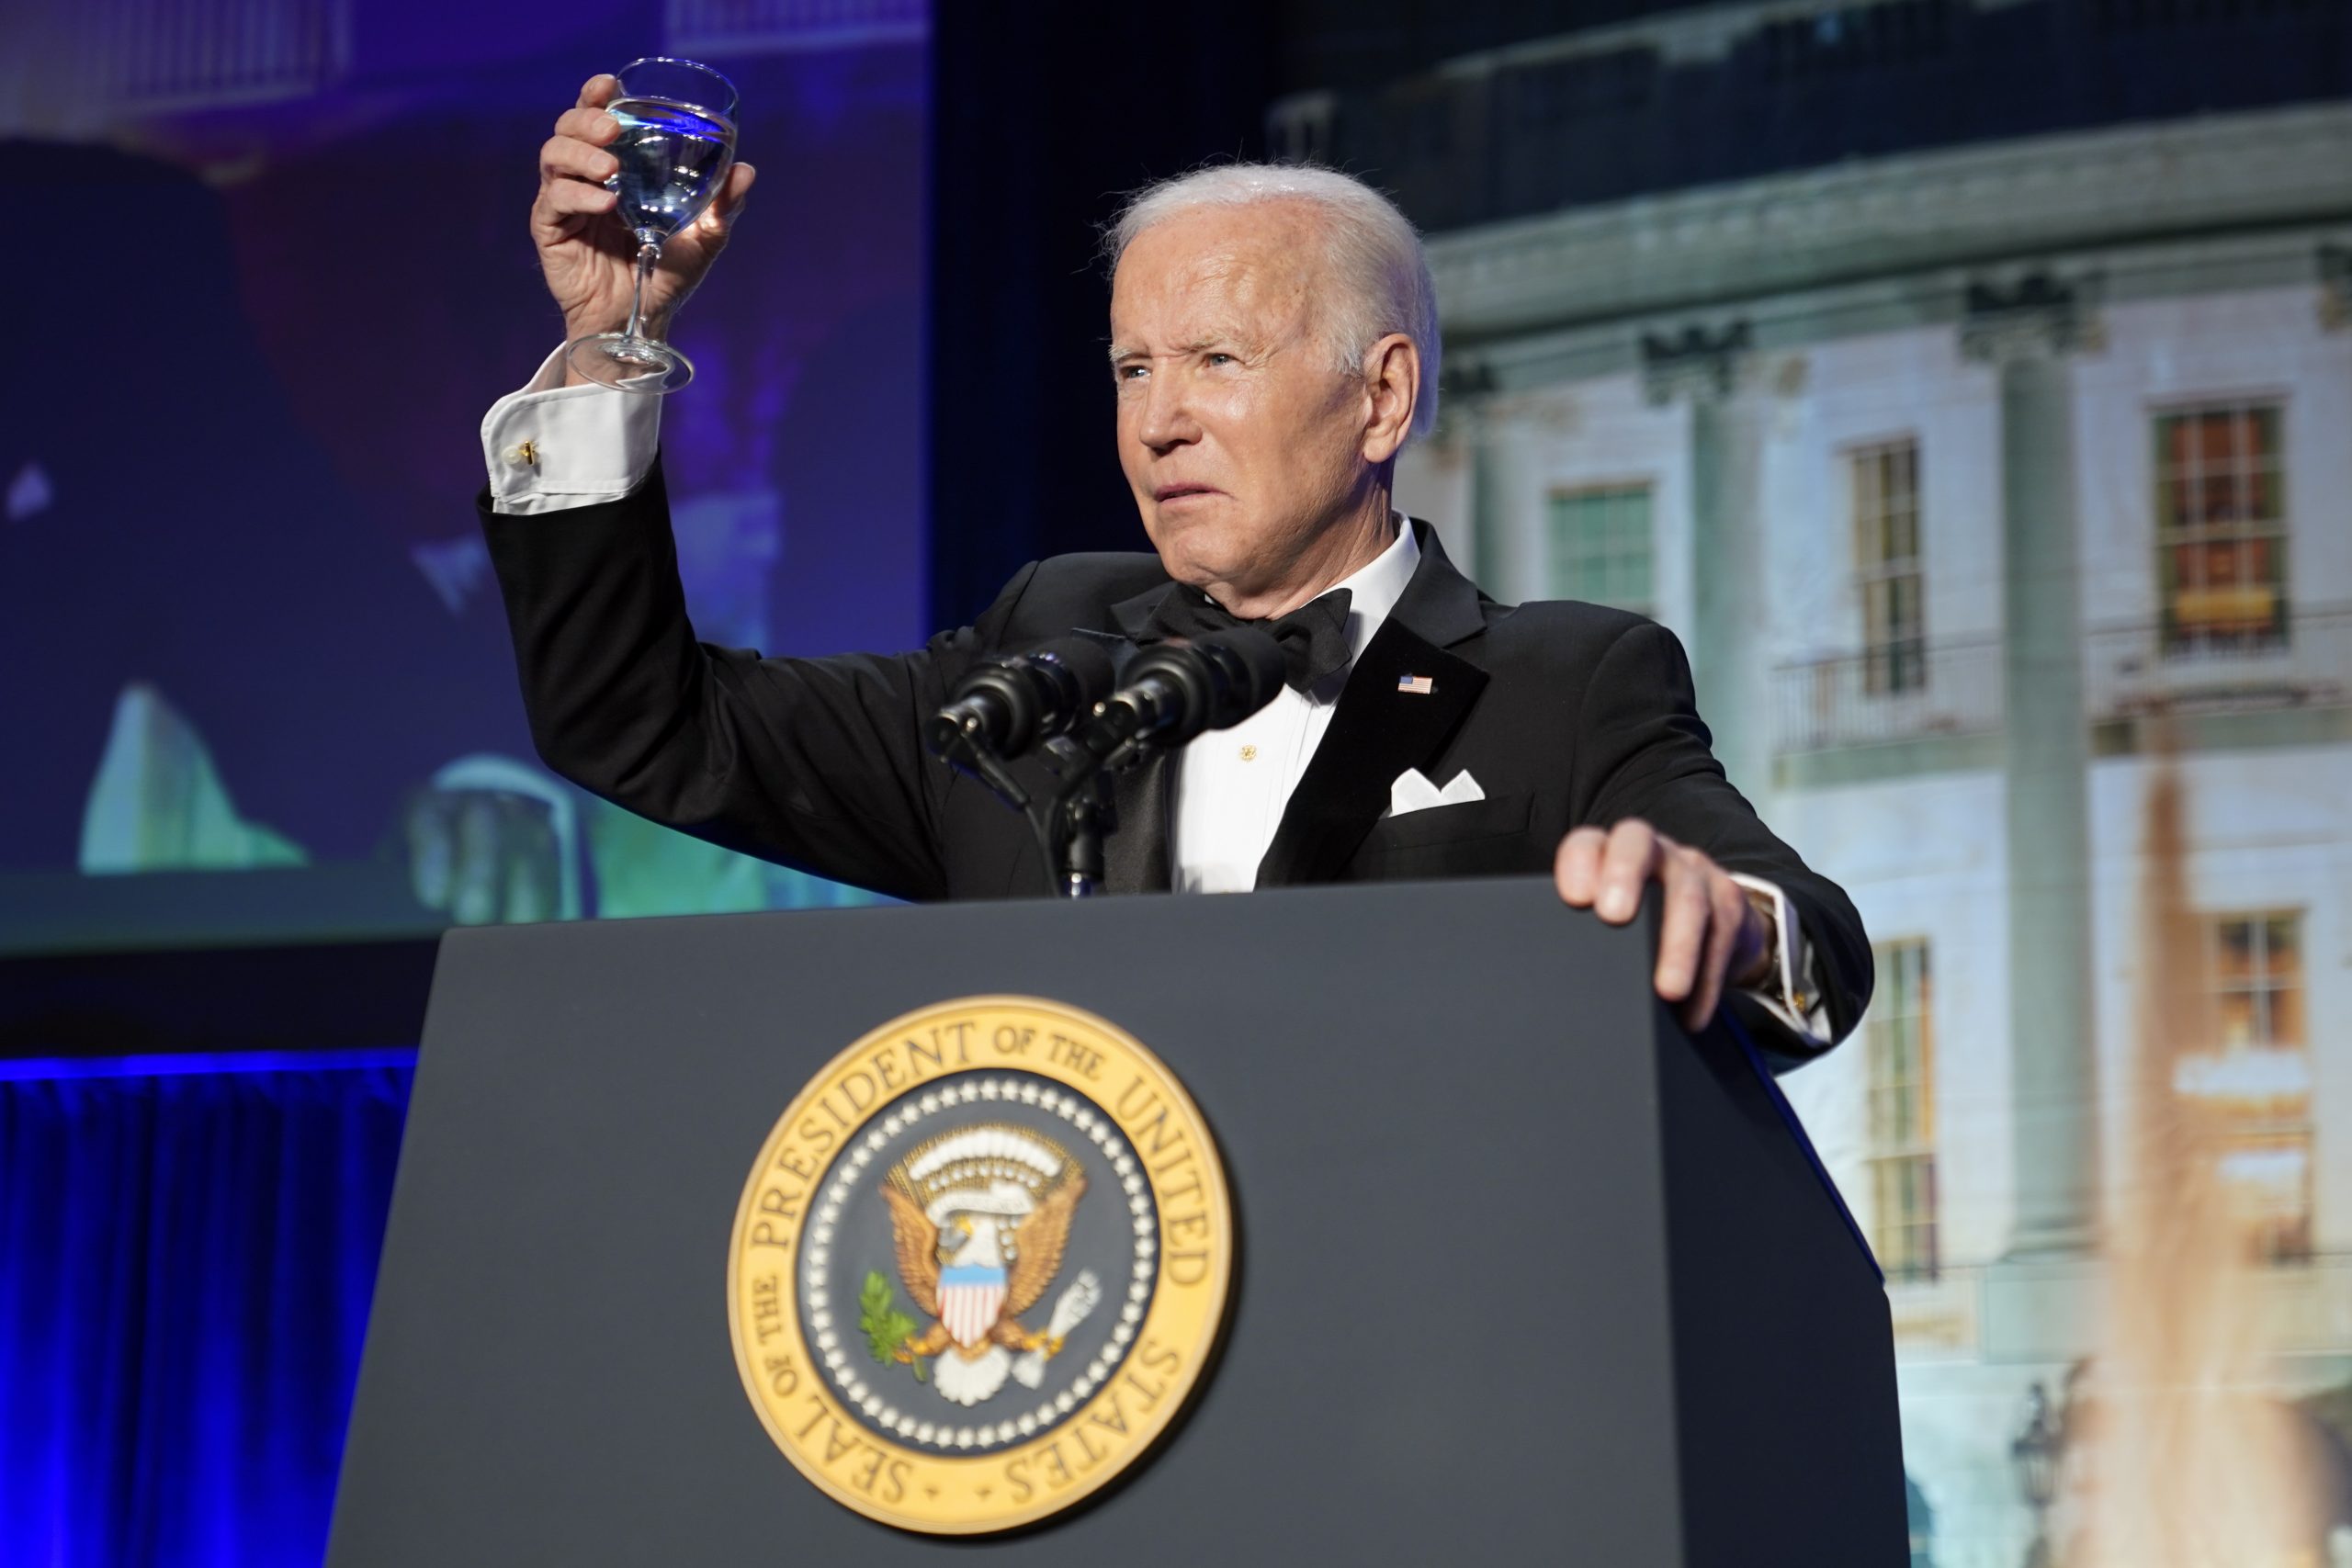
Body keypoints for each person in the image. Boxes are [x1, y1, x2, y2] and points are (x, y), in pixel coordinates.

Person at [477, 74, 1871, 1062]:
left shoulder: (1564, 681)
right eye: (1133, 367)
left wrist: (1726, 924)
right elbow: (645, 725)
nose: (1158, 420)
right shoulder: (1043, 652)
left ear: (1381, 399)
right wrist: (611, 342)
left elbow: (1806, 937)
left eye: (1217, 361)